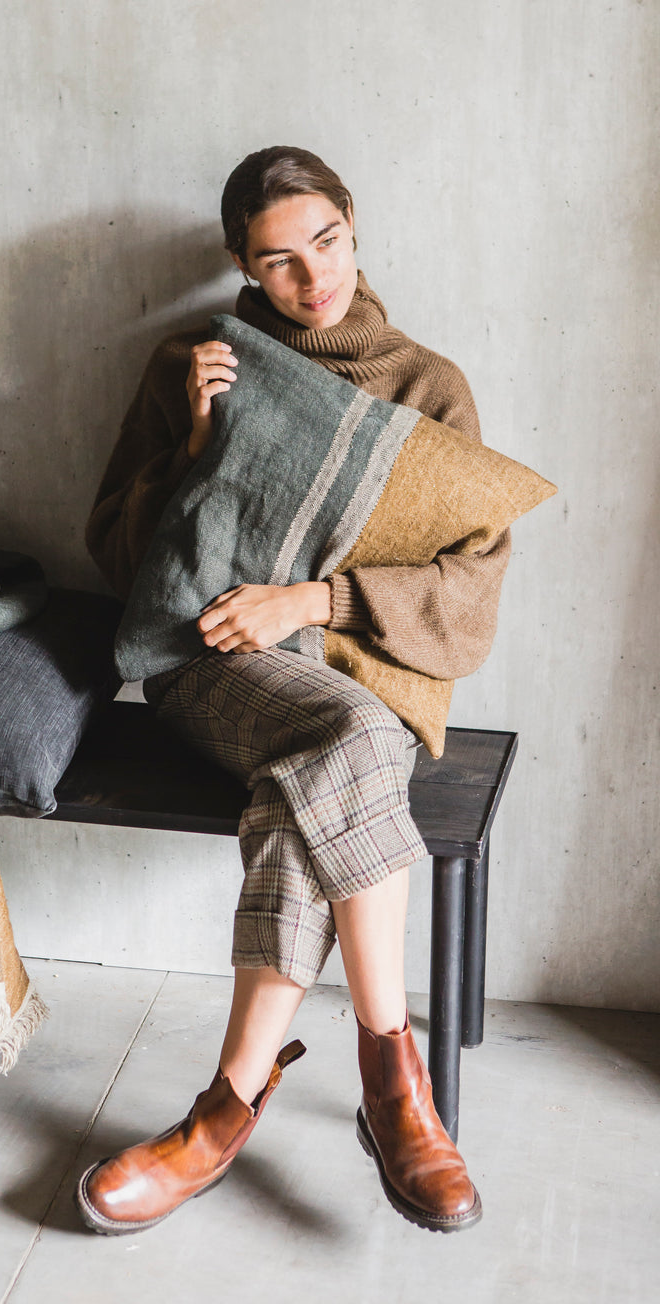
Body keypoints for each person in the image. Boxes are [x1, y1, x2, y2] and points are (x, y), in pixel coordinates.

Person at [76, 146, 510, 1235]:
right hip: (211, 661)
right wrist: (195, 444)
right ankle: (393, 1086)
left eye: (326, 241)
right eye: (278, 261)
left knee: (314, 780)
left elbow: (469, 587)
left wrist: (312, 602)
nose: (313, 278)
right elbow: (120, 561)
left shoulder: (428, 388)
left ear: (352, 221)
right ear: (242, 264)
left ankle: (222, 1112)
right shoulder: (198, 363)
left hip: (366, 675)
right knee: (351, 744)